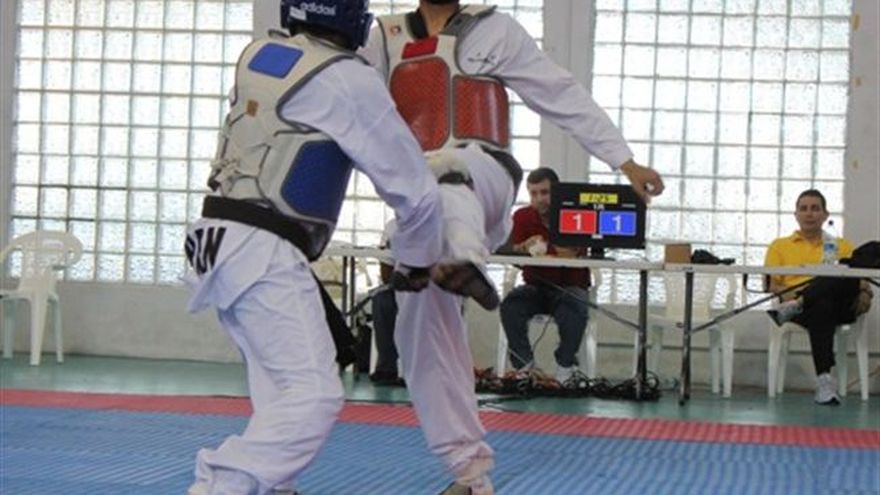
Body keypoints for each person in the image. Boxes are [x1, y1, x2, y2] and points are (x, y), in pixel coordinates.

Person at [360, 3, 665, 493]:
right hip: (419, 199)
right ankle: (470, 473)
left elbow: (558, 92)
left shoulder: (494, 30)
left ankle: (464, 257)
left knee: (451, 174)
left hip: (486, 178)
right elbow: (347, 111)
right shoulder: (384, 37)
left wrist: (623, 161)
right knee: (421, 339)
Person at [182, 1, 446, 493]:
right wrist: (419, 263)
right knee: (312, 395)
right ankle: (221, 486)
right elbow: (416, 194)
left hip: (219, 236)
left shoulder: (259, 55)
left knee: (281, 391)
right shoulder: (348, 79)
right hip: (261, 247)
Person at [765, 189, 874, 405]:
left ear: (825, 215)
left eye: (815, 209)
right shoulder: (779, 246)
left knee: (839, 273)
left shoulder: (840, 245)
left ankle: (801, 302)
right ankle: (825, 382)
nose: (809, 213)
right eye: (804, 209)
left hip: (835, 306)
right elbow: (770, 284)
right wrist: (792, 296)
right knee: (821, 305)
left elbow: (860, 280)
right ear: (796, 214)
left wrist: (865, 292)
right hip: (803, 310)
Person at [500, 168, 591, 384]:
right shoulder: (521, 217)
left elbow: (572, 252)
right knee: (510, 305)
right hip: (536, 287)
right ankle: (524, 366)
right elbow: (511, 252)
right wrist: (522, 247)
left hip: (569, 288)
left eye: (544, 192)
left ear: (557, 192)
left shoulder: (575, 214)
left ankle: (565, 366)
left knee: (575, 307)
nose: (539, 199)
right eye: (533, 193)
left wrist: (547, 247)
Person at [370, 219, 403, 385]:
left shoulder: (442, 222)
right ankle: (387, 367)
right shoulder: (392, 227)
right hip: (402, 284)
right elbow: (386, 273)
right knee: (382, 301)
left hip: (432, 289)